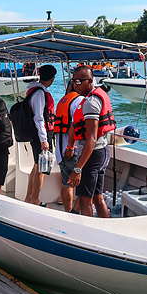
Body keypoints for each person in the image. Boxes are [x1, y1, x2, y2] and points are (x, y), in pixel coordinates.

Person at [67, 65, 116, 218]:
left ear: (89, 81)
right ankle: (106, 229)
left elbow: (91, 138)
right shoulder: (96, 96)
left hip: (93, 155)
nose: (75, 85)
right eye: (73, 81)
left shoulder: (90, 103)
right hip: (102, 152)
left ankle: (88, 235)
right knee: (97, 197)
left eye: (79, 81)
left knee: (85, 200)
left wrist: (78, 169)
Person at [23, 65, 57, 205]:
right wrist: (44, 139)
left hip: (36, 134)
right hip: (41, 134)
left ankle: (29, 197)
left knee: (37, 165)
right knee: (42, 167)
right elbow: (39, 117)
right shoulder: (39, 93)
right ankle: (35, 199)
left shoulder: (32, 89)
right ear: (52, 78)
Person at [54, 80, 86, 213]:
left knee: (66, 184)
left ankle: (68, 211)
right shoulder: (80, 101)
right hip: (73, 150)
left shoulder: (63, 100)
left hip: (60, 151)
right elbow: (76, 124)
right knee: (84, 184)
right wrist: (71, 147)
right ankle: (76, 212)